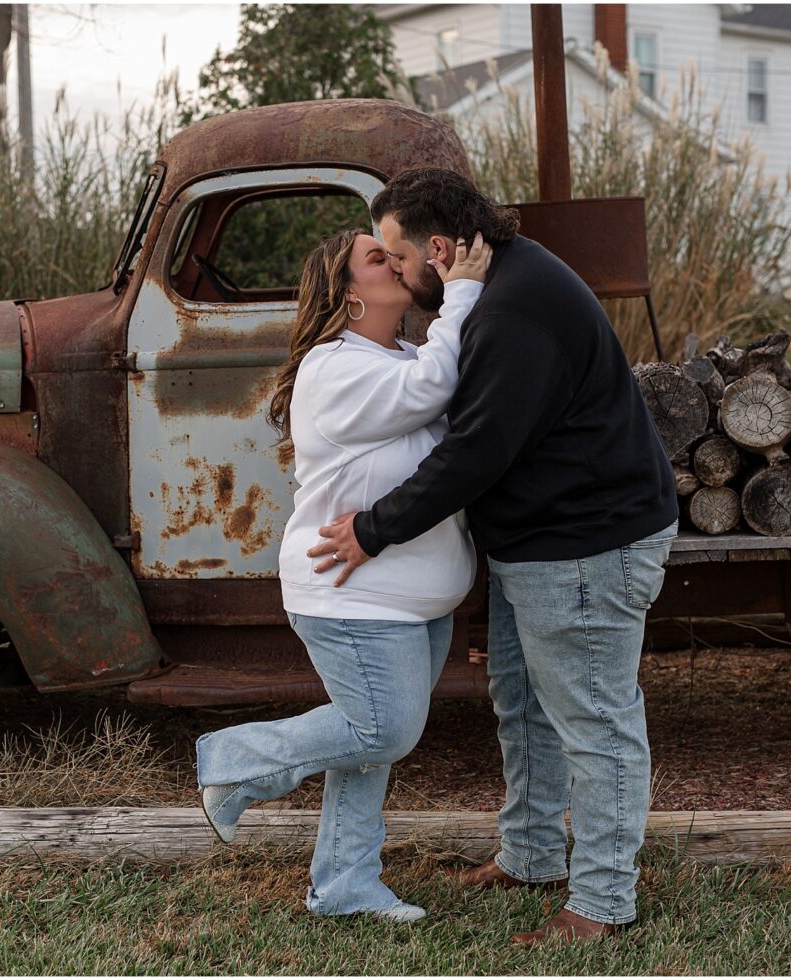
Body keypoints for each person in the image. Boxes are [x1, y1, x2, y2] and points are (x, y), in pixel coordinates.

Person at [309, 168, 679, 945]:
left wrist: (375, 528)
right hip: (538, 539)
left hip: (586, 542)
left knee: (596, 722)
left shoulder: (515, 310)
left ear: (438, 250)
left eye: (397, 256)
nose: (398, 272)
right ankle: (533, 854)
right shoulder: (501, 283)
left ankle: (604, 904)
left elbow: (476, 452)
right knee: (522, 701)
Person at [194, 227, 493, 923]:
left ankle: (344, 885)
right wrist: (464, 290)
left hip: (415, 595)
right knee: (383, 730)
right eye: (376, 256)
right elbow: (431, 389)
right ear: (348, 293)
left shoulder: (409, 352)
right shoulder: (335, 365)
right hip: (351, 592)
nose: (394, 261)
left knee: (368, 750)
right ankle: (231, 763)